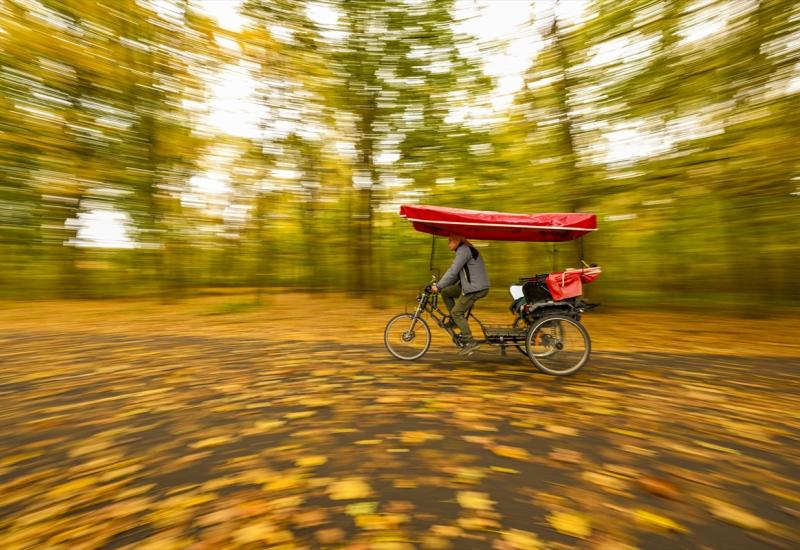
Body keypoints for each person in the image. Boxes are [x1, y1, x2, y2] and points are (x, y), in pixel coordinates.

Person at [431, 234, 490, 355]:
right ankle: (454, 321)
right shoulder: (463, 250)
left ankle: (470, 342)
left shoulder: (464, 250)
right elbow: (457, 274)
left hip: (475, 288)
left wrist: (438, 286)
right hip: (469, 286)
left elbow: (453, 271)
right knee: (446, 292)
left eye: (450, 241)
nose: (448, 244)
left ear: (458, 240)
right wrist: (441, 286)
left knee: (456, 312)